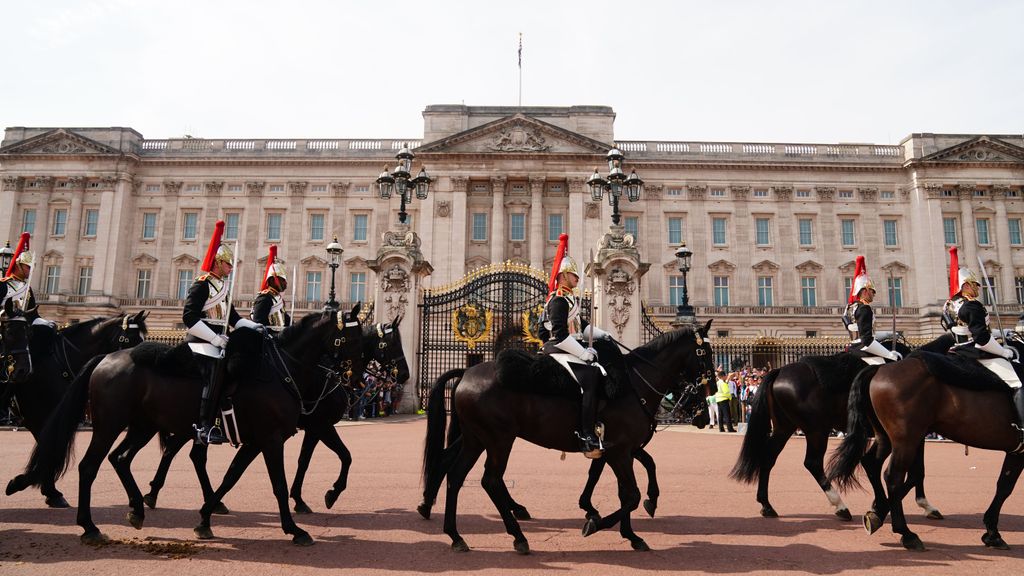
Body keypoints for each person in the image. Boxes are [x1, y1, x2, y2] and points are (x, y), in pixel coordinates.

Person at [183, 220, 262, 445]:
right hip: (200, 341)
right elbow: (189, 317)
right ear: (218, 263)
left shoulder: (223, 289)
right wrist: (216, 338)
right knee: (215, 373)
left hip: (218, 342)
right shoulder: (202, 285)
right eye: (228, 264)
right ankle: (204, 426)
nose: (231, 268)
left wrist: (256, 327)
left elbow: (234, 320)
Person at [540, 234, 612, 458]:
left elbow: (582, 326)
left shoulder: (570, 300)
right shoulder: (559, 300)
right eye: (574, 274)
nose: (577, 278)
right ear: (563, 276)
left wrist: (605, 335)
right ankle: (586, 434)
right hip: (557, 349)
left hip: (566, 348)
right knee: (590, 379)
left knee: (599, 371)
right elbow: (560, 335)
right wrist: (584, 353)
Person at [943, 257, 1024, 446]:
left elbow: (967, 329)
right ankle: (1022, 427)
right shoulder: (973, 306)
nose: (977, 289)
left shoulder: (950, 305)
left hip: (957, 349)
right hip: (976, 351)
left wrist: (1001, 333)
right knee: (1018, 380)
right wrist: (1004, 352)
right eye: (974, 285)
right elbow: (981, 339)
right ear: (964, 286)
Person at [842, 255, 901, 362]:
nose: (874, 294)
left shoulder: (851, 307)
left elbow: (864, 332)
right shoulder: (864, 309)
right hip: (862, 348)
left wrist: (887, 334)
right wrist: (889, 355)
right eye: (872, 291)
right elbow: (867, 340)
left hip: (853, 346)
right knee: (890, 365)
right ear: (864, 291)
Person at [0, 233, 56, 330]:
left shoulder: (27, 289)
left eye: (32, 267)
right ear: (18, 265)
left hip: (21, 331)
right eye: (28, 267)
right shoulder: (4, 285)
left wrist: (47, 323)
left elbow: (34, 316)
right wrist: (9, 313)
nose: (31, 270)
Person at [251, 244, 291, 331]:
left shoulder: (277, 298)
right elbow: (258, 324)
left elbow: (286, 321)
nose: (285, 283)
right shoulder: (264, 298)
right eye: (282, 280)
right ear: (273, 280)